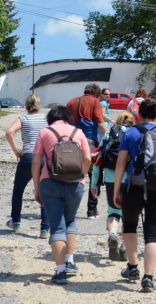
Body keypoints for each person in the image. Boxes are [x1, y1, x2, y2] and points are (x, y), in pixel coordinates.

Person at [113, 98, 156, 293]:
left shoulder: (131, 133)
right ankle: (148, 279)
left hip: (134, 187)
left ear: (138, 115)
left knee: (130, 226)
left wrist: (117, 190)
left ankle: (132, 268)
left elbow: (121, 164)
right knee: (152, 234)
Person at [32, 106, 92, 284]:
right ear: (68, 117)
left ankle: (60, 272)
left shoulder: (45, 132)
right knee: (70, 220)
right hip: (75, 184)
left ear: (50, 118)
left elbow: (36, 162)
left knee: (57, 226)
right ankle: (70, 262)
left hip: (49, 183)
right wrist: (81, 177)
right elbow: (88, 159)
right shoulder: (78, 132)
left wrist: (37, 187)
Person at [90, 111, 135, 261]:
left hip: (110, 178)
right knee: (128, 215)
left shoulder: (108, 134)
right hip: (130, 179)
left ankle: (112, 235)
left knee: (113, 211)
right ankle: (123, 246)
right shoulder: (134, 135)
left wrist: (94, 183)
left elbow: (98, 160)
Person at [5, 94, 50, 238]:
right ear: (39, 106)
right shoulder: (46, 119)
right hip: (42, 157)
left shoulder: (23, 118)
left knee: (18, 190)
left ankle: (16, 221)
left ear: (26, 106)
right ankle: (44, 228)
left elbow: (9, 132)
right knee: (44, 192)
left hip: (27, 156)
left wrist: (17, 150)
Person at [66, 83, 107, 219]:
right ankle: (92, 210)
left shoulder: (71, 101)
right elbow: (100, 123)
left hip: (72, 142)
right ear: (96, 93)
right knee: (94, 177)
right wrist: (112, 135)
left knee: (72, 176)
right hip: (90, 143)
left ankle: (69, 208)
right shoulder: (95, 101)